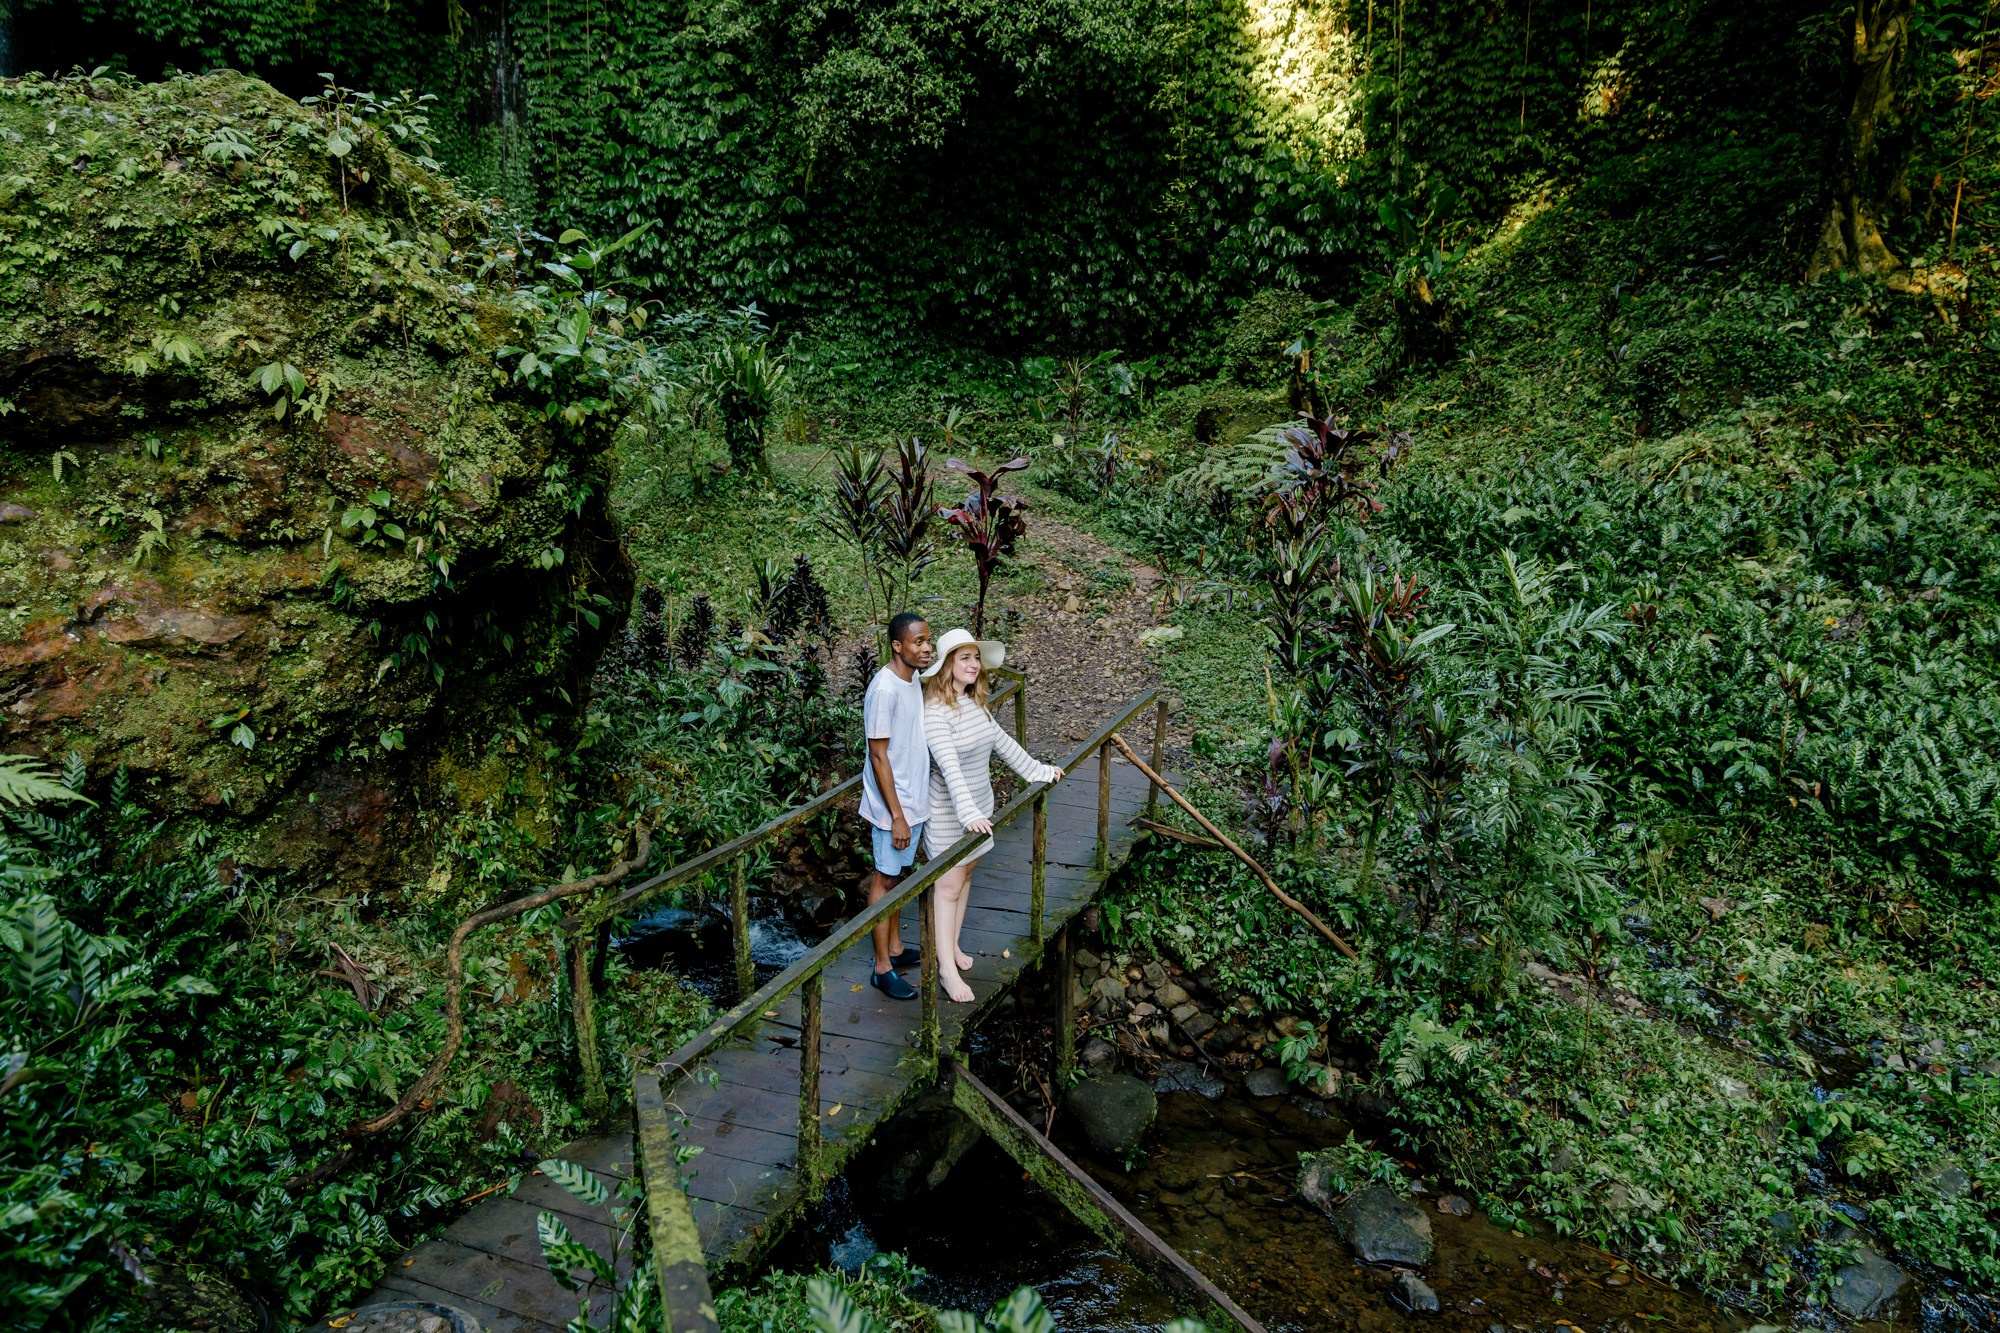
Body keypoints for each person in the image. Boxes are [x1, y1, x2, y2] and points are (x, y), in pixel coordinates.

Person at [921, 628, 1064, 1002]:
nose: (972, 664)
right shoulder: (935, 712)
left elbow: (1002, 743)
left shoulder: (973, 702)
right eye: (964, 657)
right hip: (950, 813)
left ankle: (951, 946)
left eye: (975, 657)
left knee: (966, 875)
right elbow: (949, 768)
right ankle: (946, 971)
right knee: (947, 887)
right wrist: (967, 813)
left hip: (979, 808)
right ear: (947, 665)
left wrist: (1038, 770)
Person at [858, 612, 935, 1000]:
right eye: (918, 642)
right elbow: (877, 756)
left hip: (913, 799)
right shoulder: (884, 689)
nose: (926, 648)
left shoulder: (913, 679)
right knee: (884, 879)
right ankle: (881, 968)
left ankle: (895, 948)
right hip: (894, 807)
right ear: (897, 646)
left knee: (899, 876)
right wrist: (897, 816)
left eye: (928, 641)